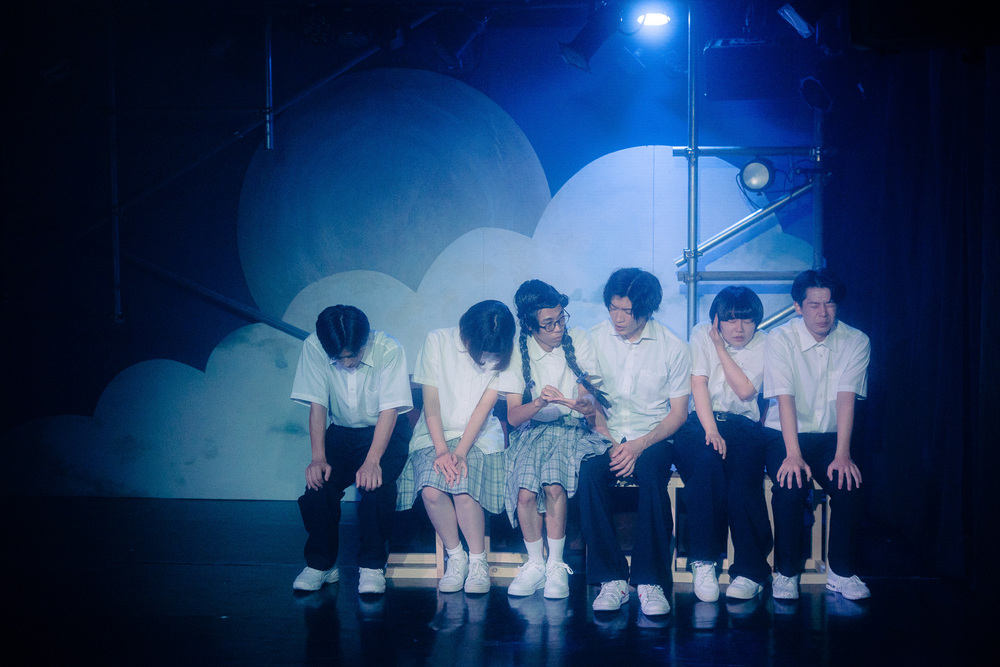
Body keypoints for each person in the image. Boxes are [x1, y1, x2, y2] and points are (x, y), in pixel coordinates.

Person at [578, 268, 691, 617]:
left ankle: (650, 581)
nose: (619, 318)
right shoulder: (594, 339)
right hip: (604, 434)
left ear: (647, 310)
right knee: (589, 473)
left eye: (627, 311)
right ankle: (611, 578)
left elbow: (678, 414)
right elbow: (589, 399)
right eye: (613, 308)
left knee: (653, 475)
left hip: (653, 436)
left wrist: (639, 445)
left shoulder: (673, 346)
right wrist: (610, 440)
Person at [396, 300, 519, 594]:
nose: (487, 355)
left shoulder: (507, 348)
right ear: (467, 334)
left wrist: (460, 452)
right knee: (431, 490)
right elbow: (431, 402)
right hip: (434, 433)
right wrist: (442, 450)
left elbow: (483, 408)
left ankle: (478, 561)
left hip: (478, 436)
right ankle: (456, 557)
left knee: (464, 487)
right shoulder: (437, 341)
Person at [290, 305, 414, 595]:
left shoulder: (389, 349)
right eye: (339, 358)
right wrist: (317, 458)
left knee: (375, 486)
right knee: (318, 485)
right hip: (342, 431)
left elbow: (389, 410)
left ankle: (372, 565)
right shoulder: (314, 346)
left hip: (386, 429)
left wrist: (372, 460)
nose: (346, 363)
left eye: (352, 355)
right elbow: (317, 404)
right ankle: (321, 564)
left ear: (364, 340)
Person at [763, 269, 871, 601]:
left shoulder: (856, 340)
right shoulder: (780, 338)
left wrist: (843, 454)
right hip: (785, 434)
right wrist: (793, 454)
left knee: (848, 482)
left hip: (831, 436)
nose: (823, 313)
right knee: (791, 485)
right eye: (813, 305)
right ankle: (785, 573)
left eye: (830, 304)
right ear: (798, 307)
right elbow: (785, 397)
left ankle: (841, 572)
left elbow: (846, 397)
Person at [503, 280, 613, 599]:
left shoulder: (579, 339)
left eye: (561, 318)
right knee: (525, 492)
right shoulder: (518, 351)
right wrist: (538, 402)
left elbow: (587, 397)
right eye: (548, 324)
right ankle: (535, 563)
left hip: (571, 429)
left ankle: (556, 565)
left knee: (553, 484)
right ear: (530, 326)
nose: (557, 328)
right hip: (533, 430)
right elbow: (513, 416)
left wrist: (585, 404)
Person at [674, 286, 772, 603]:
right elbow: (698, 383)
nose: (739, 328)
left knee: (743, 481)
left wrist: (720, 347)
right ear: (717, 320)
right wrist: (711, 430)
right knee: (705, 465)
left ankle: (750, 571)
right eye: (730, 320)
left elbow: (745, 391)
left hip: (743, 426)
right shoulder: (700, 332)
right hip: (701, 421)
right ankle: (703, 561)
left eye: (746, 320)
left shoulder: (764, 342)